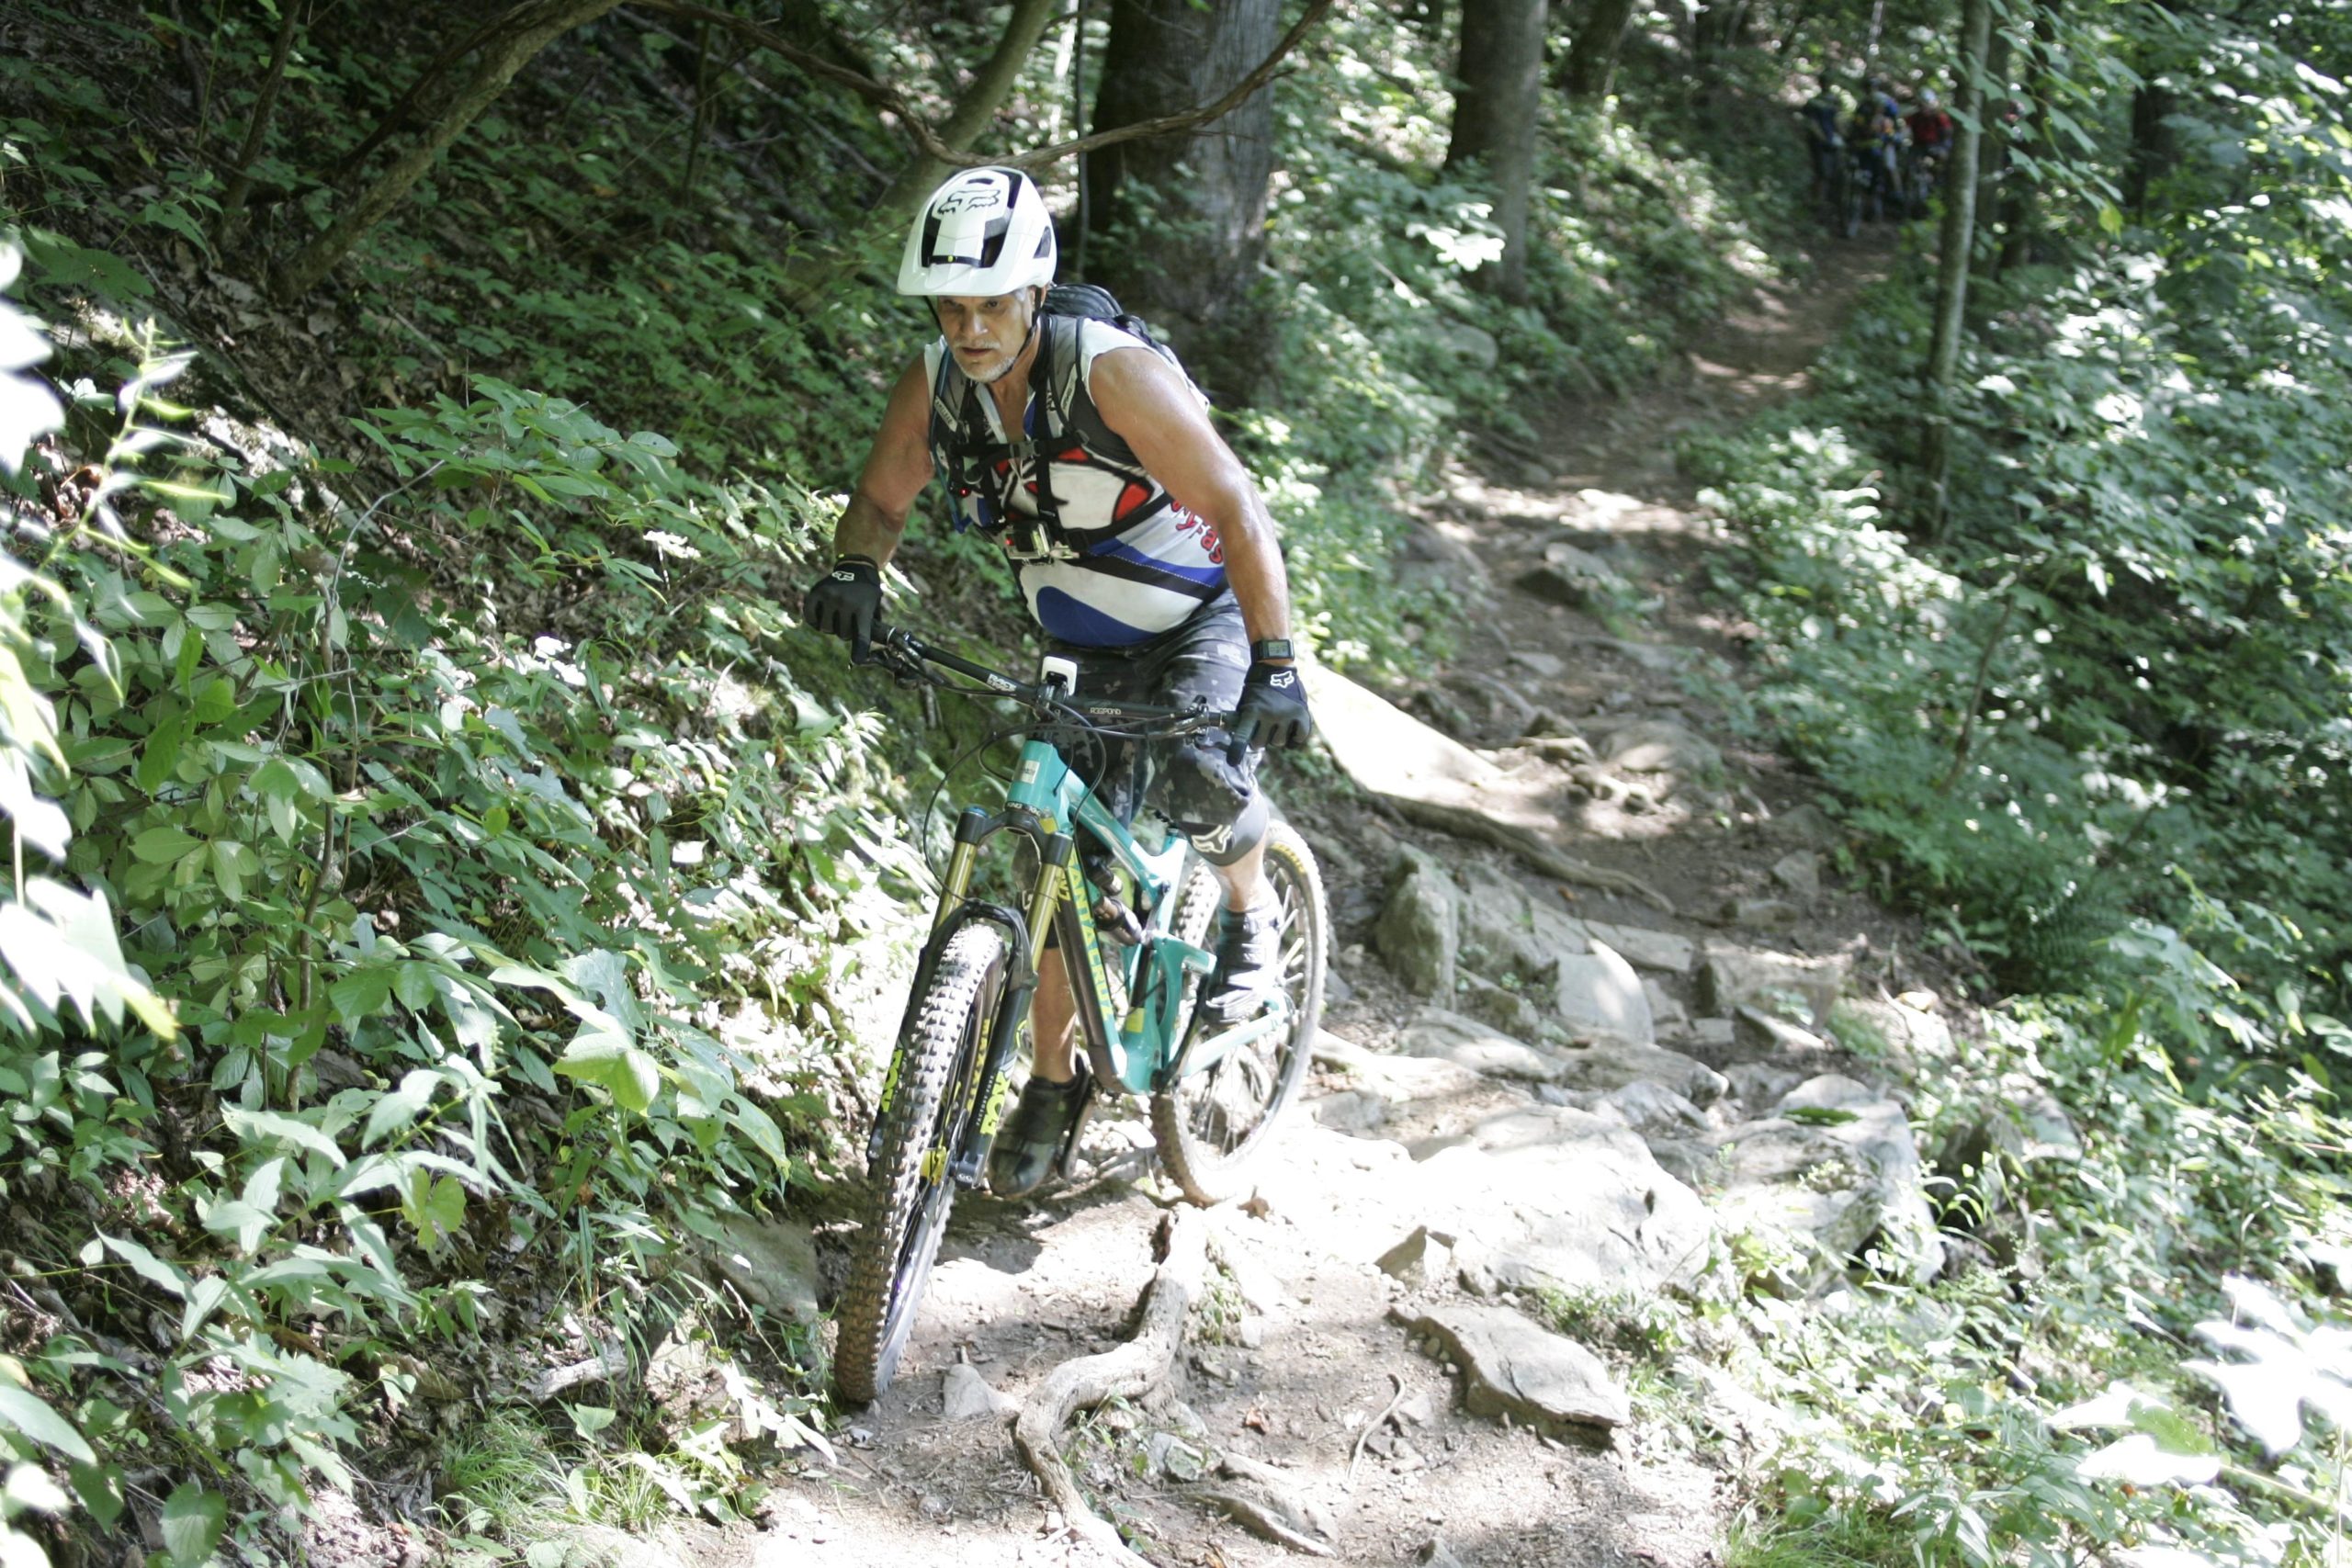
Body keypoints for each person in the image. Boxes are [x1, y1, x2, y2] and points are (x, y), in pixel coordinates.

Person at [801, 165, 1313, 1199]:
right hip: (1075, 647)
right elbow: (880, 498)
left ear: (1034, 291)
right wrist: (856, 568)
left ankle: (1251, 917)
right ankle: (1050, 1080)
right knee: (1057, 864)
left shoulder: (1111, 376)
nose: (972, 326)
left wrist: (1277, 662)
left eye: (991, 303)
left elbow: (1239, 508)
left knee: (1196, 779)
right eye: (952, 307)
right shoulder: (938, 385)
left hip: (1196, 623)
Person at [1799, 74, 1847, 206]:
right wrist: (1822, 138)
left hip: (1831, 141)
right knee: (1821, 173)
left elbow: (1837, 121)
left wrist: (1844, 136)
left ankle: (1829, 202)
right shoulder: (1814, 102)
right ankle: (1816, 201)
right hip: (1819, 142)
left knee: (1834, 173)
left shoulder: (1834, 101)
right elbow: (1812, 123)